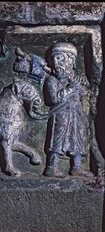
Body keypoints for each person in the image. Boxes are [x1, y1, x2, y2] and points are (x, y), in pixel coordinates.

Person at [43, 42, 92, 177]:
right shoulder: (52, 81)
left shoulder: (75, 79)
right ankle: (51, 167)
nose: (56, 62)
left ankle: (76, 167)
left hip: (76, 114)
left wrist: (83, 86)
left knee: (78, 138)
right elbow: (54, 99)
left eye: (60, 58)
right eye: (54, 59)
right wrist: (69, 88)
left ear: (70, 60)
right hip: (60, 114)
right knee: (57, 139)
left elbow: (85, 93)